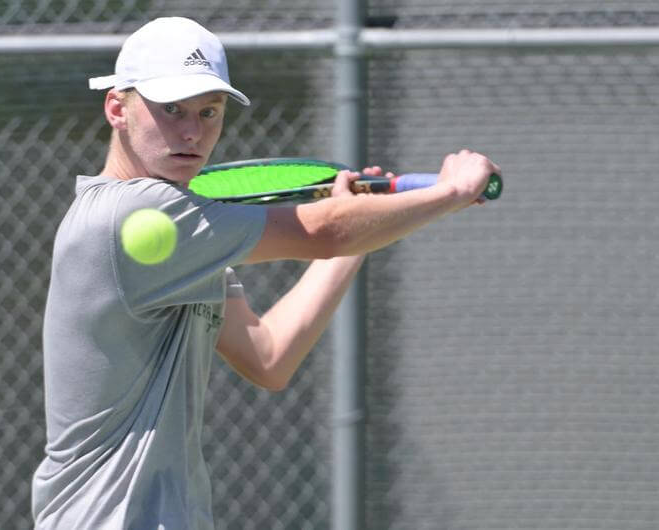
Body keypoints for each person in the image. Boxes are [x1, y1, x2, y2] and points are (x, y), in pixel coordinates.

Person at [31, 16, 500, 530]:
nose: (192, 132)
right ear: (117, 109)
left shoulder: (183, 237)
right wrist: (451, 192)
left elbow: (268, 356)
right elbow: (323, 231)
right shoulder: (134, 215)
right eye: (171, 109)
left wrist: (364, 232)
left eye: (209, 112)